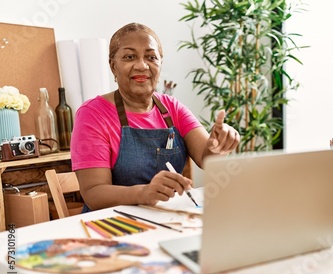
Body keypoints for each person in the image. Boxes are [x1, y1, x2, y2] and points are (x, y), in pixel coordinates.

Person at [70, 23, 240, 212]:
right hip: (112, 226)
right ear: (113, 66)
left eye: (151, 57)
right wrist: (144, 193)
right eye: (129, 57)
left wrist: (218, 143)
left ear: (160, 64)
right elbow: (94, 194)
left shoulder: (172, 108)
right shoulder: (92, 114)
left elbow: (206, 158)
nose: (142, 65)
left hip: (165, 218)